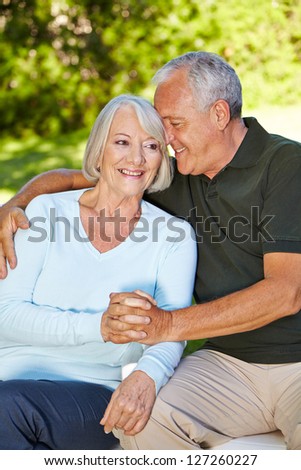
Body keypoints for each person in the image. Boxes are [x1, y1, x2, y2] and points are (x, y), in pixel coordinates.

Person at [0, 51, 301, 450]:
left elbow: (287, 292)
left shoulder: (285, 164)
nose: (167, 140)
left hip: (296, 360)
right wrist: (15, 203)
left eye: (173, 126)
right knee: (140, 428)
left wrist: (164, 326)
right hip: (226, 362)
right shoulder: (180, 175)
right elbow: (81, 177)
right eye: (163, 131)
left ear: (217, 114)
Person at [0, 94, 197, 450]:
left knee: (8, 409)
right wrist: (99, 327)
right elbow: (6, 314)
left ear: (160, 158)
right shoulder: (45, 212)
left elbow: (171, 332)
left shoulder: (174, 236)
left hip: (89, 396)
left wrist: (145, 377)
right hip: (9, 377)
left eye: (150, 146)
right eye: (122, 142)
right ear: (99, 149)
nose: (135, 159)